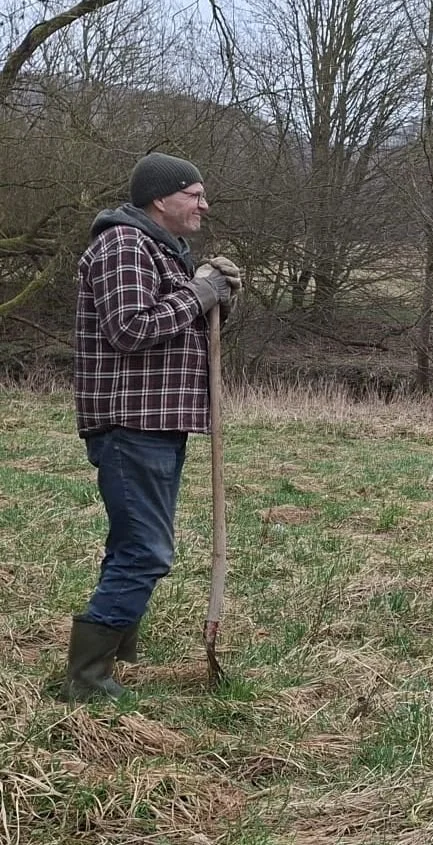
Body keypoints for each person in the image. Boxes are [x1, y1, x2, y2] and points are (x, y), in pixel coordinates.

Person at [66, 152, 241, 701]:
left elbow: (177, 330)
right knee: (146, 550)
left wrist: (218, 301)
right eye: (195, 194)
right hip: (129, 422)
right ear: (161, 199)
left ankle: (106, 659)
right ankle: (87, 681)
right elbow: (130, 329)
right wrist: (200, 293)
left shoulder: (161, 252)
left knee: (133, 545)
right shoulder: (124, 246)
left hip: (159, 422)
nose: (204, 206)